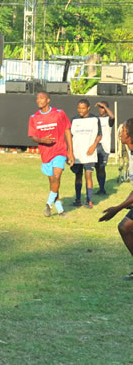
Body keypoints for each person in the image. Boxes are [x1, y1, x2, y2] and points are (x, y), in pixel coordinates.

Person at [28, 91, 74, 217]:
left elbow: (67, 131)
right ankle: (60, 210)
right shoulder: (34, 117)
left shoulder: (59, 113)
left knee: (57, 176)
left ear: (48, 100)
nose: (39, 100)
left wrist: (70, 152)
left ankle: (48, 204)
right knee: (53, 181)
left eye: (42, 98)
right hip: (45, 154)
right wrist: (42, 140)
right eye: (37, 98)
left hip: (60, 151)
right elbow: (33, 136)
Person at [98, 118, 133, 280]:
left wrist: (117, 209)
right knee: (124, 227)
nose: (120, 133)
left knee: (125, 226)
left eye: (123, 130)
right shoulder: (131, 153)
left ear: (130, 134)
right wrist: (125, 203)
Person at [70, 99, 102, 208]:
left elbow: (99, 135)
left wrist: (93, 146)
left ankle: (89, 201)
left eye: (83, 108)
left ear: (88, 108)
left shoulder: (95, 119)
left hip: (89, 153)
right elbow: (70, 136)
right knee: (78, 176)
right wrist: (70, 152)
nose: (81, 110)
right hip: (77, 154)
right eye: (79, 108)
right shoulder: (74, 120)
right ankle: (78, 200)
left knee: (88, 175)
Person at [95, 101, 115, 196]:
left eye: (102, 107)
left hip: (104, 146)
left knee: (102, 167)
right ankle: (100, 188)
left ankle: (102, 189)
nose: (100, 109)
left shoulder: (108, 119)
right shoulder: (96, 119)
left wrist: (105, 107)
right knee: (97, 168)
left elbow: (112, 117)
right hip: (96, 145)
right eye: (100, 107)